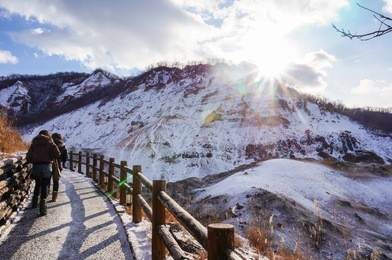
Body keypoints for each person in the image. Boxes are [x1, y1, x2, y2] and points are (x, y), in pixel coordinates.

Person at [26, 130, 60, 215]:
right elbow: (57, 154)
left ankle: (34, 202)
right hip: (47, 166)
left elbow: (28, 157)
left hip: (36, 166)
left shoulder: (34, 143)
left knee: (38, 183)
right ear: (47, 135)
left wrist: (34, 161)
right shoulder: (50, 142)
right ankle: (42, 207)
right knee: (45, 184)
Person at [50, 133, 68, 202]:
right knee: (56, 180)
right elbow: (65, 156)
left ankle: (47, 191)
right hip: (58, 164)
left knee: (47, 178)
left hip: (50, 162)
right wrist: (63, 162)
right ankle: (54, 196)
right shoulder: (62, 145)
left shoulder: (50, 143)